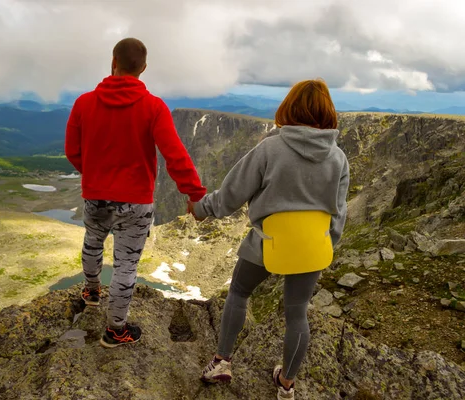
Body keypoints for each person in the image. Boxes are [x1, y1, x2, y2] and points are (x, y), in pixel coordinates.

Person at [188, 79, 350, 400]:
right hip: (312, 247)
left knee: (238, 292)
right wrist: (324, 246)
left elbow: (232, 195)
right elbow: (338, 214)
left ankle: (222, 362)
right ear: (327, 113)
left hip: (266, 242)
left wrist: (202, 208)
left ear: (290, 107)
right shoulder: (338, 158)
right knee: (297, 312)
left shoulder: (270, 149)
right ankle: (286, 385)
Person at [65, 38, 206, 349]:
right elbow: (175, 155)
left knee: (92, 241)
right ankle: (116, 330)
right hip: (136, 202)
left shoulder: (83, 103)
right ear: (143, 68)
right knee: (126, 264)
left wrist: (93, 176)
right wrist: (194, 193)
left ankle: (90, 292)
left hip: (95, 195)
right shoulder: (154, 107)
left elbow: (72, 151)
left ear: (112, 62)